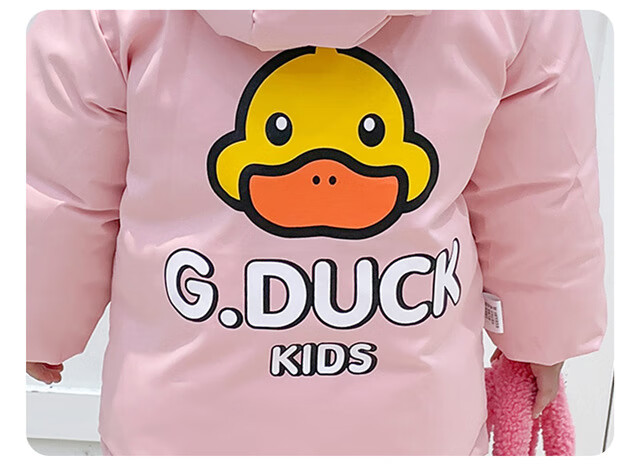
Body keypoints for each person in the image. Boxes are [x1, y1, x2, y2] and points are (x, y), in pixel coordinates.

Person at [26, 10, 607, 455]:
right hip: (414, 422)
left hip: (175, 426)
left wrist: (34, 324)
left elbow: (62, 188)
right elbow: (540, 186)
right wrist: (543, 335)